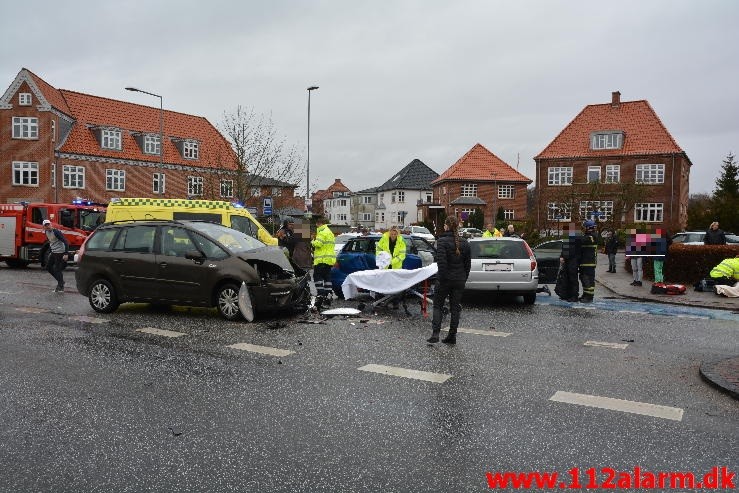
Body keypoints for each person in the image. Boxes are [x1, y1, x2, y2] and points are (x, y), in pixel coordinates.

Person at [427, 216, 471, 345]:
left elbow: (441, 263)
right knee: (455, 308)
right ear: (457, 226)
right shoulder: (465, 242)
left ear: (446, 226)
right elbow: (467, 264)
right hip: (459, 279)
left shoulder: (441, 241)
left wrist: (442, 279)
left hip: (445, 279)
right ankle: (452, 335)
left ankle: (435, 333)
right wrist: (463, 277)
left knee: (437, 306)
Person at [310, 217, 336, 307]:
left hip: (321, 260)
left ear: (318, 223)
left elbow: (318, 244)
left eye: (316, 224)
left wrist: (312, 241)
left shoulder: (321, 232)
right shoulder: (330, 232)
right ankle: (328, 294)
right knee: (327, 278)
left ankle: (321, 295)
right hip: (329, 260)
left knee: (317, 277)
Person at [42, 219, 69, 292]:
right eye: (46, 225)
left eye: (48, 224)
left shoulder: (56, 232)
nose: (48, 226)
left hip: (60, 252)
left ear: (51, 224)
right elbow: (51, 242)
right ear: (44, 227)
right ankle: (61, 282)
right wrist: (50, 251)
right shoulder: (46, 232)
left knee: (57, 269)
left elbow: (66, 241)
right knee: (48, 267)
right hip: (54, 252)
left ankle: (61, 286)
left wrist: (66, 253)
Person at [557, 224, 581, 302]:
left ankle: (574, 296)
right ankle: (567, 294)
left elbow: (572, 251)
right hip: (568, 261)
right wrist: (562, 256)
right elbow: (564, 249)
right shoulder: (568, 239)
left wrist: (564, 257)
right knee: (566, 278)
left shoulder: (576, 239)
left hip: (573, 261)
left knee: (573, 279)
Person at [578, 220, 598, 303]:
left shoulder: (592, 236)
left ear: (588, 228)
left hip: (589, 263)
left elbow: (582, 240)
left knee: (588, 280)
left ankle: (589, 297)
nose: (583, 229)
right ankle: (585, 294)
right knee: (583, 279)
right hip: (584, 262)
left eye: (584, 227)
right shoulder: (587, 236)